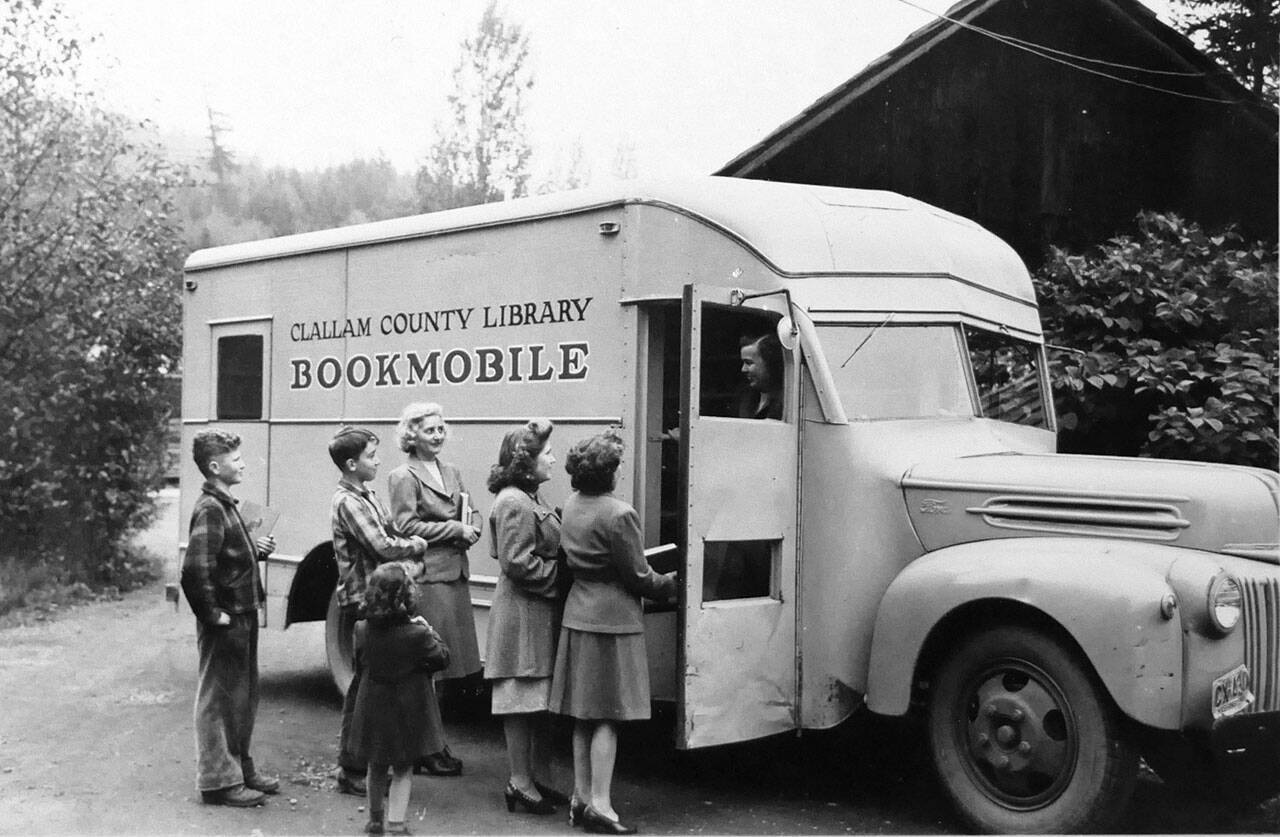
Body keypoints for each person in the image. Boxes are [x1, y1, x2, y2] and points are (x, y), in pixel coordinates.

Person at [550, 430, 678, 835]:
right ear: (610, 472)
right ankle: (602, 806)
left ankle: (581, 797)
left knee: (583, 715)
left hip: (579, 613)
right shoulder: (620, 514)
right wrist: (673, 581)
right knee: (608, 715)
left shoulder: (571, 505)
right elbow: (639, 577)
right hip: (613, 619)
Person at [180, 428, 280, 807]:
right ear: (215, 466)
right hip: (227, 618)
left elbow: (225, 557)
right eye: (236, 460)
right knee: (218, 699)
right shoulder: (210, 507)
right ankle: (218, 782)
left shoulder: (226, 503)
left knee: (241, 696)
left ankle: (240, 768)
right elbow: (195, 570)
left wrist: (255, 550)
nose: (243, 464)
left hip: (242, 613)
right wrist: (212, 615)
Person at [329, 426, 429, 797]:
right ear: (352, 464)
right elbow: (383, 544)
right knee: (364, 689)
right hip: (366, 603)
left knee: (374, 685)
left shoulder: (366, 494)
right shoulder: (348, 502)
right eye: (372, 456)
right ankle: (352, 767)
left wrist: (405, 546)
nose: (378, 460)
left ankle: (363, 763)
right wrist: (417, 544)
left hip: (381, 601)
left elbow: (388, 530)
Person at [386, 402, 481, 776]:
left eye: (441, 429)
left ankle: (432, 745)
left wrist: (470, 526)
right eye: (430, 430)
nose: (438, 436)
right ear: (411, 434)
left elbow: (467, 508)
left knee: (446, 667)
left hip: (455, 574)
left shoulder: (451, 471)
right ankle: (424, 747)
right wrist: (455, 531)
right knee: (428, 667)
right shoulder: (402, 476)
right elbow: (404, 525)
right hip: (429, 575)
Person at [484, 419, 570, 816]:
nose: (553, 458)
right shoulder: (515, 501)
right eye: (546, 453)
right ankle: (519, 782)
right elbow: (517, 562)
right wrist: (562, 578)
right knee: (519, 698)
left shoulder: (527, 495)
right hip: (522, 611)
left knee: (533, 698)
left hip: (533, 610)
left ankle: (532, 777)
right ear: (526, 462)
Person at [349, 563, 451, 836]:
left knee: (376, 765)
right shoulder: (417, 635)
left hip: (372, 707)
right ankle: (395, 824)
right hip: (406, 711)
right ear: (406, 597)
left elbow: (358, 665)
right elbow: (442, 657)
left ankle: (374, 819)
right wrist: (428, 629)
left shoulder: (361, 629)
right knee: (404, 768)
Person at [738, 332, 784, 420]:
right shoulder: (745, 399)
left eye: (749, 363)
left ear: (769, 363)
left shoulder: (787, 403)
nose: (743, 369)